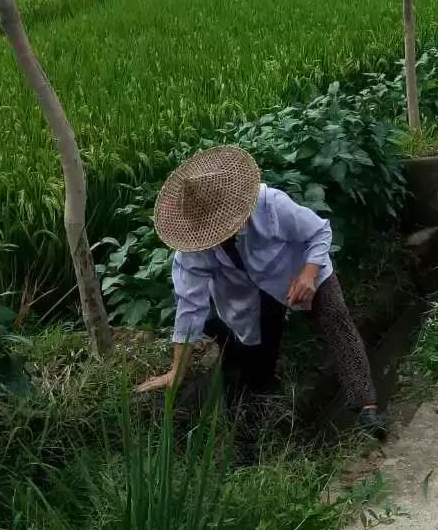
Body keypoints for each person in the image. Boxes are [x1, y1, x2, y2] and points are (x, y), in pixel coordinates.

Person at [135, 144, 382, 435]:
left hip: (299, 269)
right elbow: (190, 307)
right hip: (247, 295)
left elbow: (319, 231)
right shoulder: (193, 250)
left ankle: (365, 406)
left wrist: (308, 273)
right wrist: (177, 370)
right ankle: (264, 425)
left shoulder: (269, 204)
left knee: (335, 320)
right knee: (257, 354)